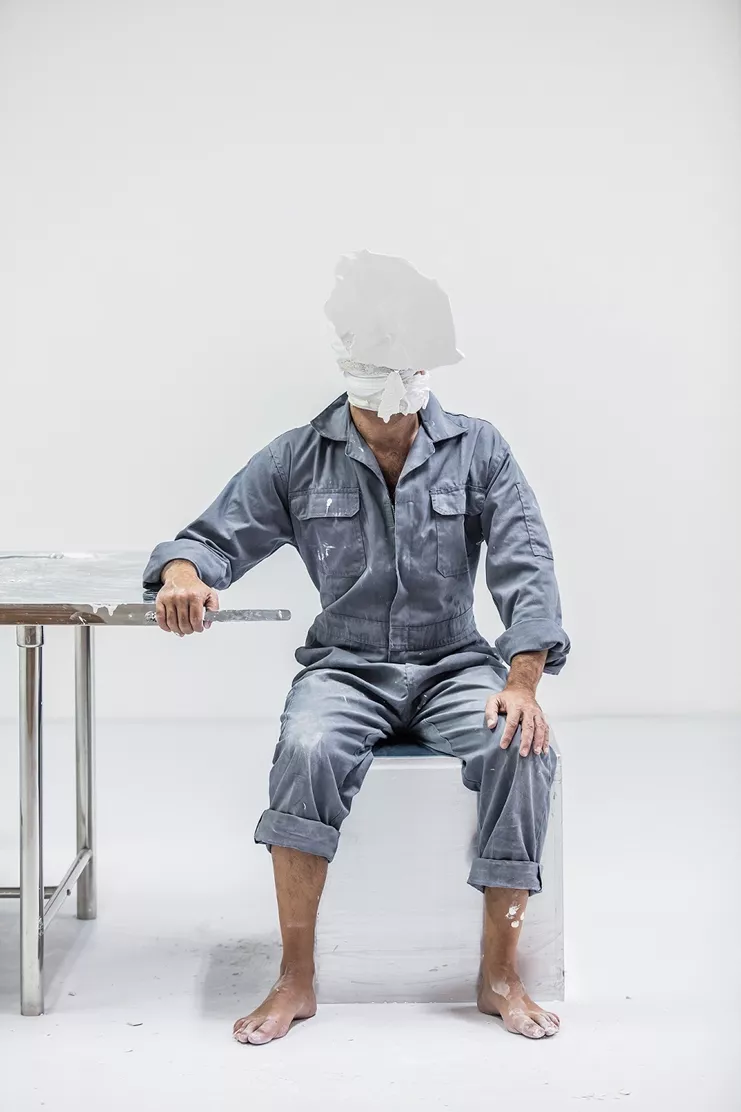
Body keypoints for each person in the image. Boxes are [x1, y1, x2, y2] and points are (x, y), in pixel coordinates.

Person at [143, 252, 570, 1045]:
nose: (400, 377)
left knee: (520, 746)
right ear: (349, 360)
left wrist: (521, 683)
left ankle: (499, 975)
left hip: (452, 664)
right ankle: (295, 979)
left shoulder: (479, 449)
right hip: (345, 669)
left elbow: (526, 566)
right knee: (305, 748)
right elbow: (207, 540)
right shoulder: (297, 457)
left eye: (413, 360)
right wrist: (182, 575)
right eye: (383, 359)